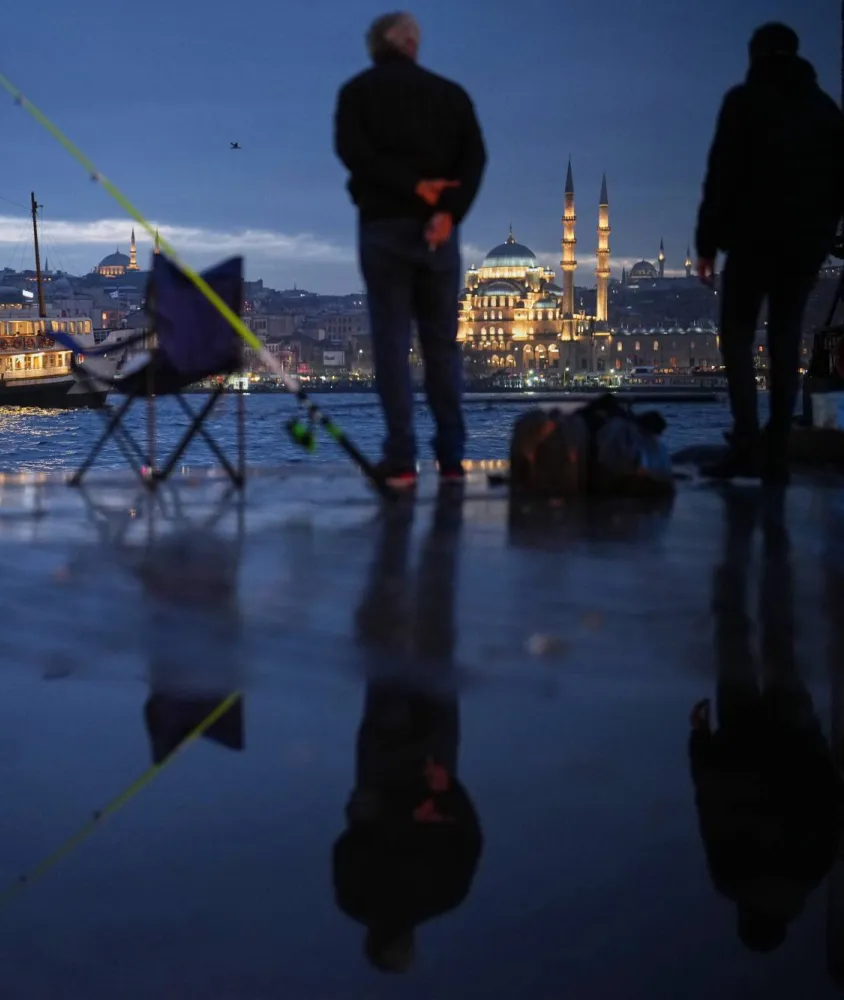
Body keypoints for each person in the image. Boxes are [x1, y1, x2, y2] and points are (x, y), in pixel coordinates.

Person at [334, 11, 487, 490]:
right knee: (441, 347)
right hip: (438, 235)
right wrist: (448, 213)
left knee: (393, 346)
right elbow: (475, 158)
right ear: (411, 43)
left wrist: (413, 187)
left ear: (379, 44)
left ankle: (401, 461)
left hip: (383, 230)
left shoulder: (358, 93)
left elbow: (354, 154)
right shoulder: (451, 95)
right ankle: (451, 458)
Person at [333, 493, 482, 973]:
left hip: (419, 769)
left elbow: (468, 836)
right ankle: (410, 552)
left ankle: (421, 550)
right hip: (397, 771)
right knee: (406, 660)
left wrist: (446, 797)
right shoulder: (360, 899)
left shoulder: (441, 896)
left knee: (425, 655)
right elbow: (350, 838)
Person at [688, 489, 842, 953]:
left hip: (796, 738)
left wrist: (822, 750)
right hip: (742, 743)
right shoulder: (731, 877)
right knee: (733, 642)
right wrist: (701, 742)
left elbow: (832, 801)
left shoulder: (814, 869)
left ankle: (775, 555)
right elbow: (712, 804)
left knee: (781, 647)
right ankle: (735, 554)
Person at [695, 22, 844, 483]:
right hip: (803, 249)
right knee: (784, 342)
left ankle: (745, 441)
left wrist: (706, 244)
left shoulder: (743, 102)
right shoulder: (825, 110)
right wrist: (821, 241)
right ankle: (777, 449)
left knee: (737, 337)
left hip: (752, 243)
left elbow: (721, 174)